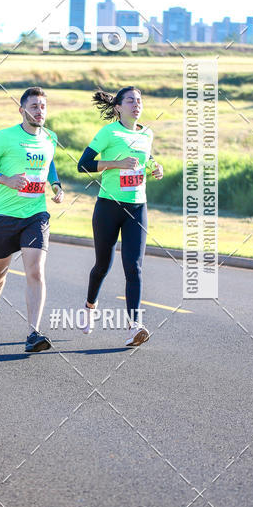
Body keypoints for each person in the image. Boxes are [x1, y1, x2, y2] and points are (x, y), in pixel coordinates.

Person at [0, 87, 64, 353]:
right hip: (3, 214)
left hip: (35, 214)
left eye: (43, 106)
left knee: (35, 270)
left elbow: (50, 163)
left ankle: (33, 333)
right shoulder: (5, 137)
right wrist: (6, 180)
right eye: (34, 106)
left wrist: (56, 185)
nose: (39, 111)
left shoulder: (50, 137)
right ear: (22, 110)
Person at [77, 86, 163, 346]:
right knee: (103, 265)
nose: (136, 104)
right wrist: (116, 163)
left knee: (134, 267)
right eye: (130, 100)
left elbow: (144, 160)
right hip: (109, 207)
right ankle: (90, 307)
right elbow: (83, 164)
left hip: (137, 207)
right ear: (118, 107)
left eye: (139, 100)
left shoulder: (147, 133)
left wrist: (154, 167)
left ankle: (134, 326)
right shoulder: (109, 132)